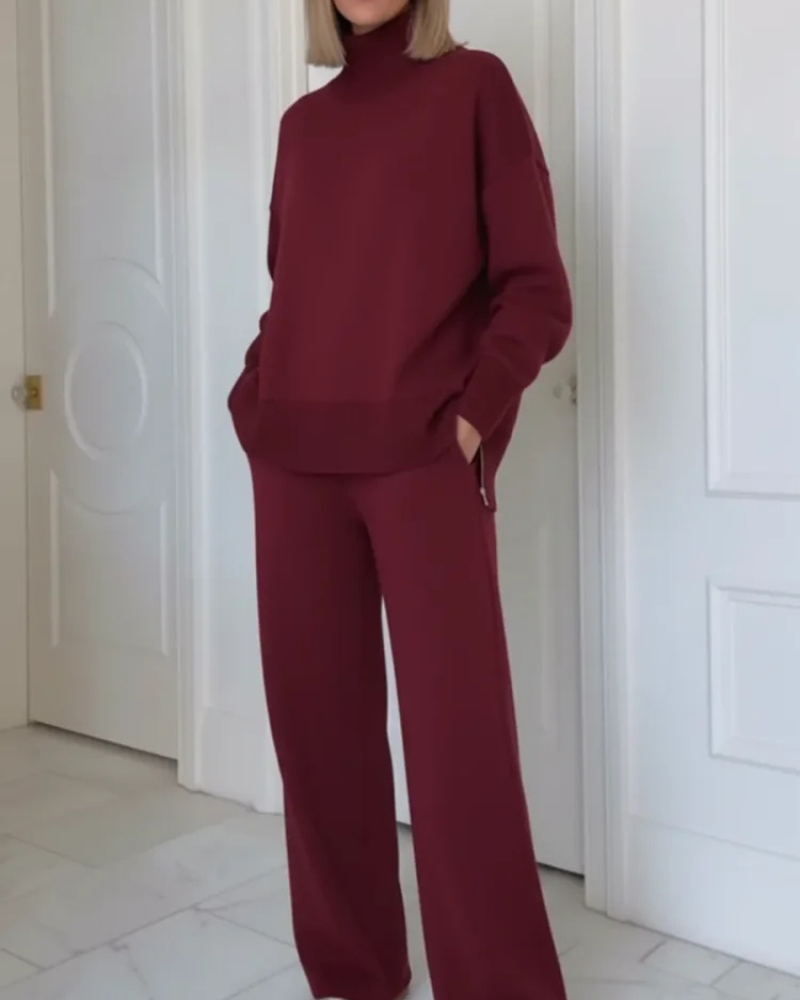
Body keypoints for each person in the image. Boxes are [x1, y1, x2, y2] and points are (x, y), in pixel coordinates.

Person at [228, 1, 573, 998]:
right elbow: (294, 289)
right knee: (317, 738)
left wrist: (469, 421)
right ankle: (353, 975)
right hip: (294, 462)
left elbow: (536, 290)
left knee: (459, 747)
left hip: (421, 462)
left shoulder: (475, 88)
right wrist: (256, 393)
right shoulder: (304, 127)